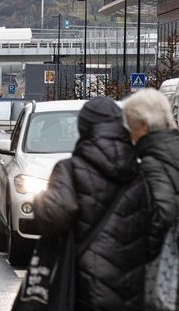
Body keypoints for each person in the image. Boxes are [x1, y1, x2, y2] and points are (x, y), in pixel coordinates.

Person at [32, 97, 156, 311]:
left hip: (83, 288)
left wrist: (40, 200)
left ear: (84, 128)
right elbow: (153, 234)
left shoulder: (69, 170)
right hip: (131, 294)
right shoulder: (140, 174)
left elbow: (52, 218)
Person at [123, 89, 179, 255]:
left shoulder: (152, 162)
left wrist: (144, 251)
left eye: (131, 127)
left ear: (143, 125)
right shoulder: (172, 147)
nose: (131, 136)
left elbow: (164, 214)